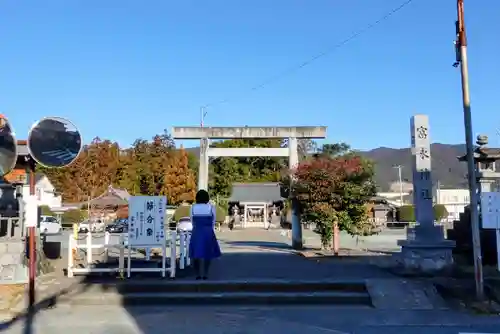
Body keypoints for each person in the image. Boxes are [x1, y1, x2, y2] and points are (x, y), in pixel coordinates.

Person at [189, 190, 221, 279]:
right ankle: (205, 273)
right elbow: (213, 221)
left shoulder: (193, 207)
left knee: (196, 254)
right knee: (208, 253)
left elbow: (191, 220)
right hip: (208, 231)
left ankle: (198, 274)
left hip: (197, 231)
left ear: (197, 198)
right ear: (207, 198)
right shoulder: (211, 208)